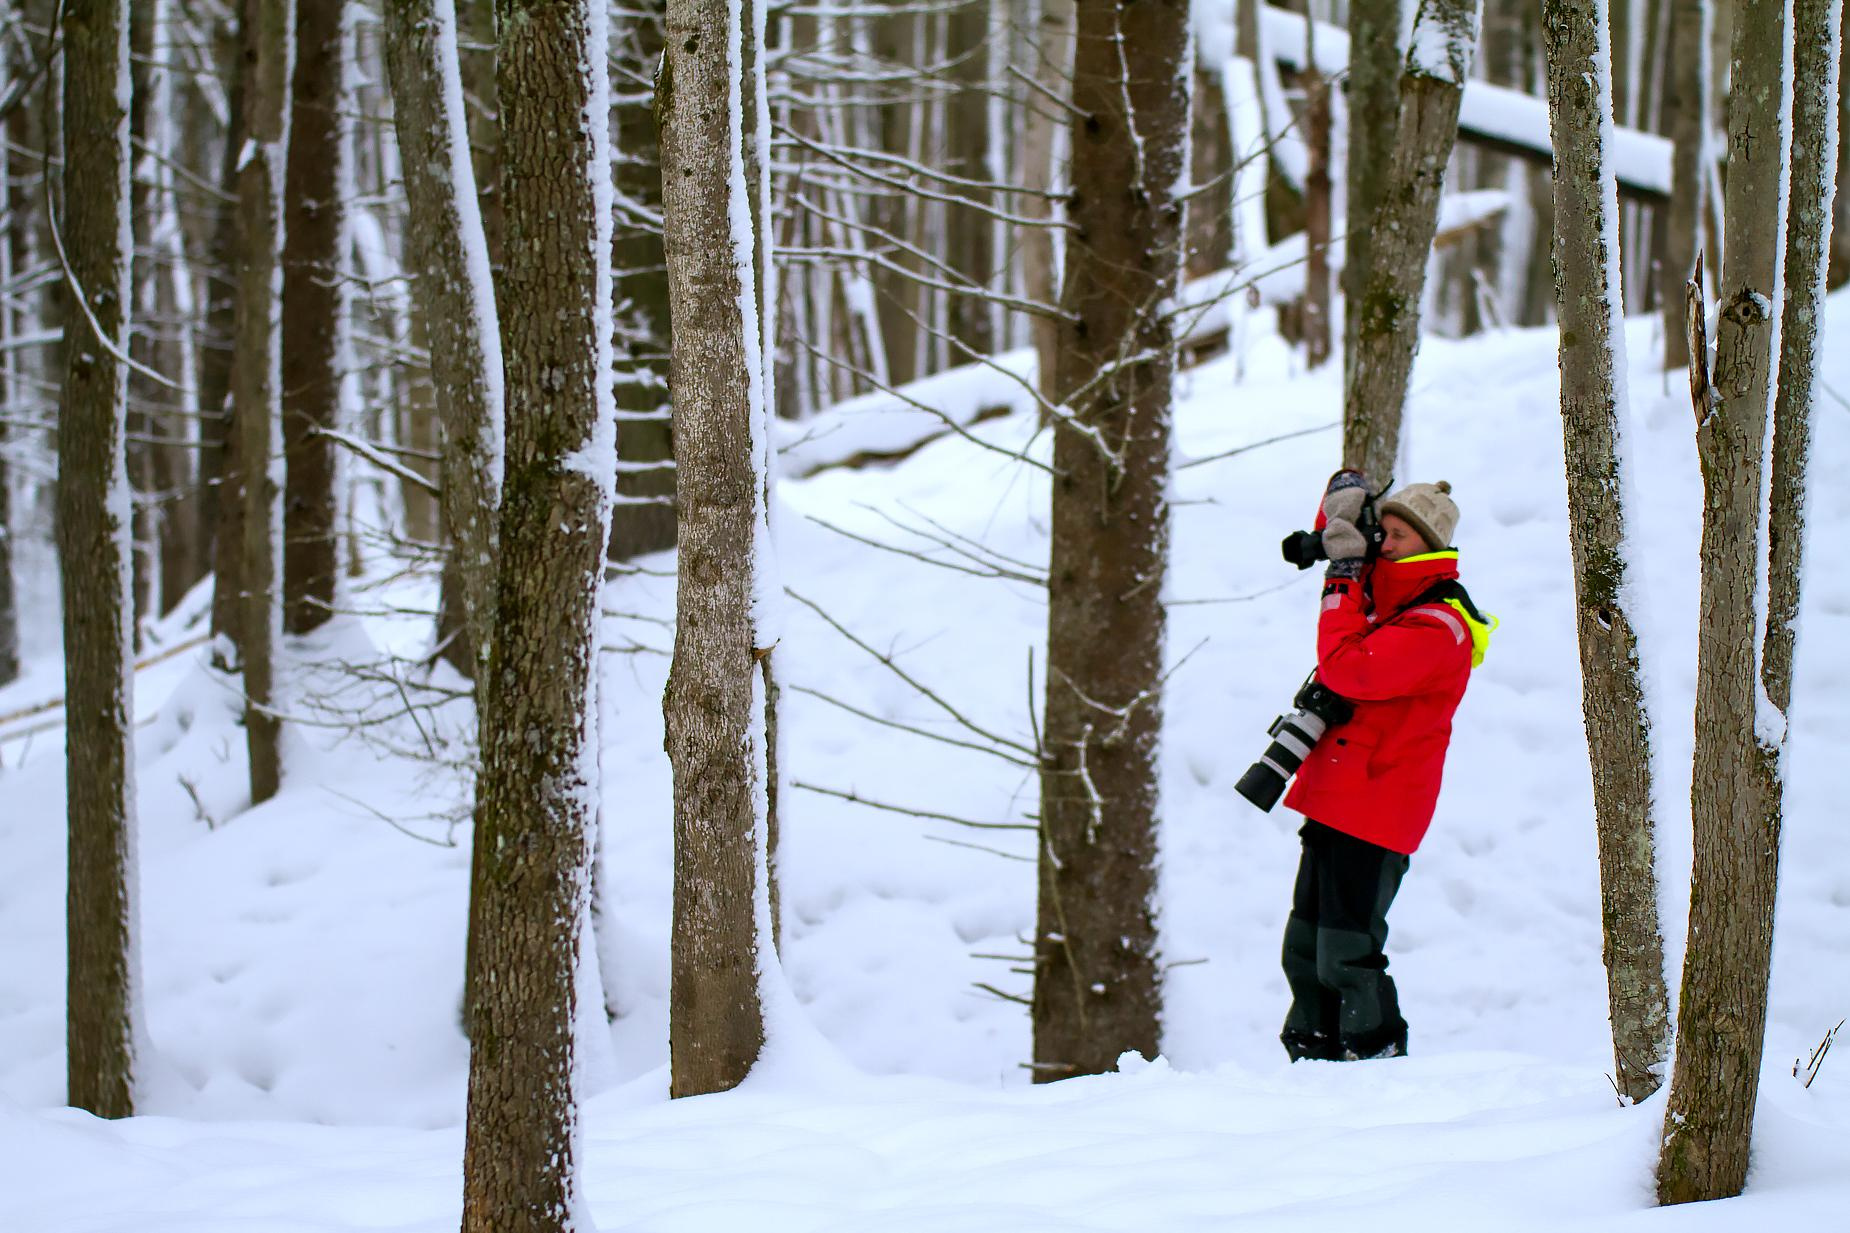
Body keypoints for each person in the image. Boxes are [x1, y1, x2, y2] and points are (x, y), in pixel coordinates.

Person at [1277, 471, 1493, 1062]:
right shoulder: (1389, 605)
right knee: (1303, 947)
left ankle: (1371, 1060)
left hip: (1377, 806)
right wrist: (1344, 515)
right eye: (1384, 532)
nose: (1384, 545)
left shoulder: (1438, 623)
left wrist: (1342, 580)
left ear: (1430, 545)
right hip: (1335, 797)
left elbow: (1350, 670)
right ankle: (1311, 1058)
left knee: (1345, 952)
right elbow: (1335, 533)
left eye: (1397, 535)